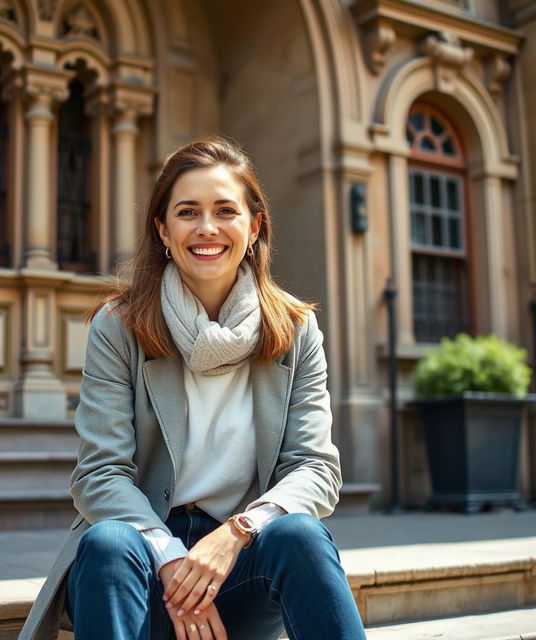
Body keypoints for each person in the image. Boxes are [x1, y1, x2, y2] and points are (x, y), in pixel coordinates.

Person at [19, 136, 366, 640]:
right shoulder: (120, 326)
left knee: (301, 534)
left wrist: (236, 534)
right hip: (139, 564)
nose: (207, 228)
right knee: (109, 539)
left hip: (240, 567)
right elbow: (99, 473)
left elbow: (316, 468)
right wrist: (170, 558)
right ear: (162, 229)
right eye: (187, 212)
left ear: (254, 226)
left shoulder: (294, 329)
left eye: (225, 210)